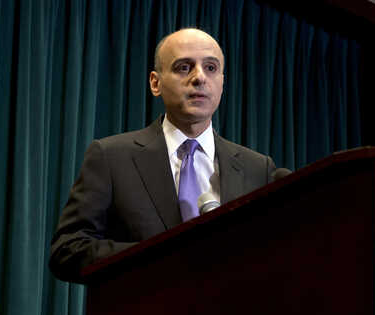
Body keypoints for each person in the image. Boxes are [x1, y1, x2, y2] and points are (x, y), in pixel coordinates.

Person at [49, 28, 277, 282]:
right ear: (155, 83)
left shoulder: (258, 168)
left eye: (211, 68)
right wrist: (162, 258)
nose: (199, 77)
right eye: (183, 68)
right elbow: (67, 250)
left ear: (223, 83)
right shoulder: (111, 157)